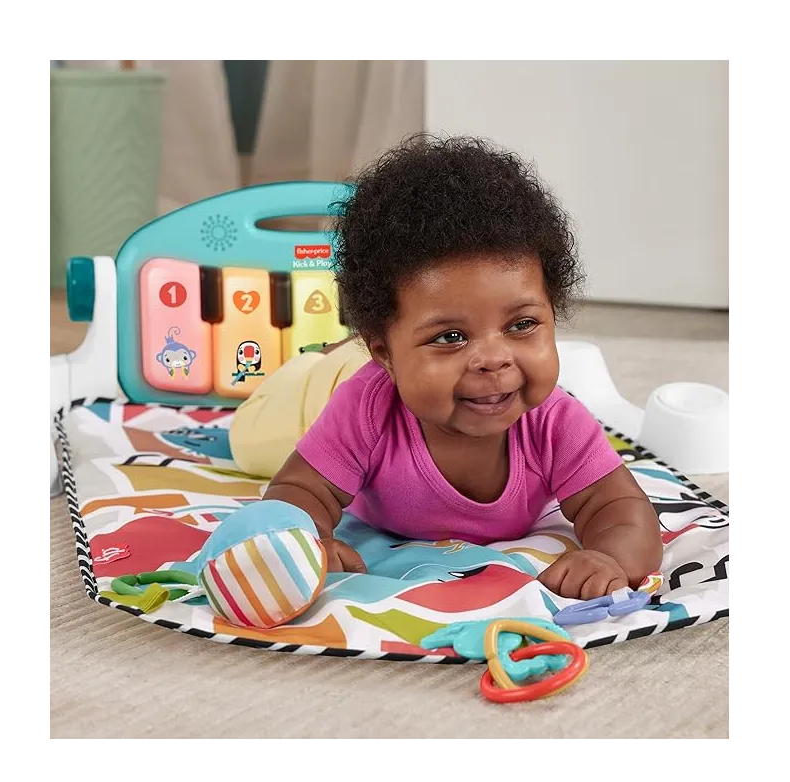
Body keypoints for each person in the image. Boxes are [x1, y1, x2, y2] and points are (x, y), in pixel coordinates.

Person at [230, 134, 662, 600]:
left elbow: (621, 508)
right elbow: (300, 491)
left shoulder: (555, 423)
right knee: (250, 445)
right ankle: (322, 357)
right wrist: (304, 542)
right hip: (325, 387)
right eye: (451, 337)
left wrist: (610, 557)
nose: (494, 358)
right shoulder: (365, 410)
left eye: (521, 325)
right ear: (385, 353)